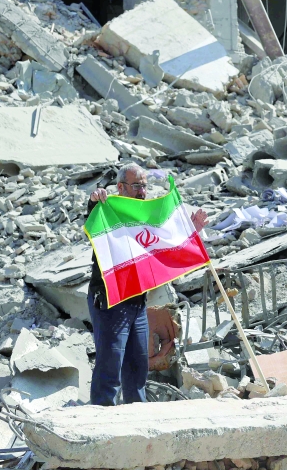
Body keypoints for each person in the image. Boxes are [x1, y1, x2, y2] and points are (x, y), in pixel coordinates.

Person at [86, 163, 208, 405]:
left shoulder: (145, 218)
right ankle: (102, 416)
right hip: (111, 300)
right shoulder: (108, 211)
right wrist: (94, 201)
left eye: (144, 186)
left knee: (137, 366)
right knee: (110, 366)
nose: (142, 191)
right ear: (120, 187)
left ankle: (137, 414)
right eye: (136, 186)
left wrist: (191, 231)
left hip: (137, 302)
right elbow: (92, 219)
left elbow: (164, 246)